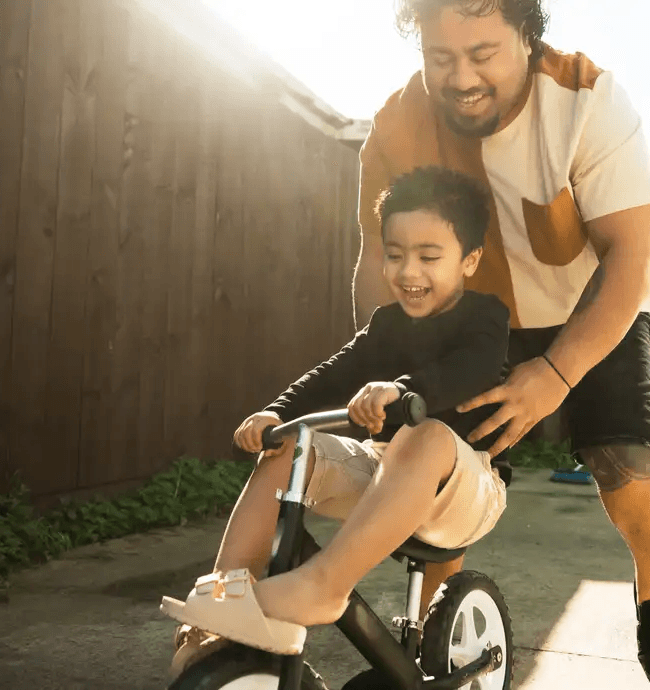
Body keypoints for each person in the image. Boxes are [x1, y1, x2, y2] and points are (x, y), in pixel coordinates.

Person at [351, 1, 650, 686]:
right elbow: (375, 264)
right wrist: (382, 372)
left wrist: (558, 373)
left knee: (620, 455)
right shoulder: (394, 125)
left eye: (483, 55)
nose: (461, 77)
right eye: (441, 57)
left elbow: (630, 256)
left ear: (527, 39)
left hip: (590, 299)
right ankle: (431, 632)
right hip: (473, 316)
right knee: (441, 462)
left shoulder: (588, 100)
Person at [164, 165, 513, 677]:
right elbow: (336, 372)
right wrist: (277, 413)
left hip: (469, 484)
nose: (409, 272)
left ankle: (326, 585)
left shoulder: (485, 317)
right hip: (389, 475)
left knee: (427, 435)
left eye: (429, 257)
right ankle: (226, 592)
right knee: (290, 446)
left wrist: (404, 390)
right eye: (395, 256)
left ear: (470, 260)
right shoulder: (387, 324)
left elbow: (471, 371)